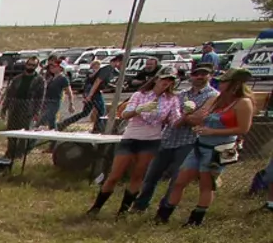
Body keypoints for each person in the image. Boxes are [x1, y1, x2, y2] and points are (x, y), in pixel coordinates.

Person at [158, 68, 255, 226]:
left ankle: (196, 219)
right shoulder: (216, 99)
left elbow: (243, 129)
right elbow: (201, 116)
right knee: (180, 181)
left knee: (206, 184)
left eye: (223, 82)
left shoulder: (243, 103)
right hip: (200, 145)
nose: (219, 84)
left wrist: (213, 130)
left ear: (234, 85)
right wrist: (193, 118)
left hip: (221, 148)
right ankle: (163, 215)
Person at [87, 70, 182, 216]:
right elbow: (125, 114)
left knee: (137, 175)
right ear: (156, 79)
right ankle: (96, 207)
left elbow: (174, 121)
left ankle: (123, 211)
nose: (167, 83)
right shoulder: (140, 95)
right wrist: (138, 110)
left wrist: (186, 115)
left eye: (170, 81)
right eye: (164, 79)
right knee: (115, 175)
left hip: (151, 140)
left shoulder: (171, 99)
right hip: (131, 137)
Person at [133, 62, 218, 213]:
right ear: (190, 76)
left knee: (177, 179)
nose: (199, 77)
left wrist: (182, 116)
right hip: (167, 138)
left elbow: (200, 119)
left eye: (203, 74)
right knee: (151, 176)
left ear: (210, 76)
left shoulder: (213, 95)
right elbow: (167, 116)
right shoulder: (181, 94)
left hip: (189, 141)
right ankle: (140, 206)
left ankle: (164, 209)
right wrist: (184, 116)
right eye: (196, 74)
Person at [60, 55, 121, 131]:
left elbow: (102, 82)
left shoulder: (108, 69)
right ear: (117, 61)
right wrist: (89, 96)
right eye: (122, 63)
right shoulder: (108, 69)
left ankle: (64, 123)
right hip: (92, 91)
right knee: (101, 111)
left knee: (85, 113)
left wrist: (114, 86)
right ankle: (97, 129)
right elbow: (97, 81)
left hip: (91, 90)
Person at [1, 57, 46, 159]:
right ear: (26, 65)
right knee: (11, 131)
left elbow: (40, 98)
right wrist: (4, 108)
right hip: (14, 108)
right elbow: (9, 94)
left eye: (34, 65)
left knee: (24, 134)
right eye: (29, 64)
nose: (31, 67)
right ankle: (10, 153)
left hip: (28, 110)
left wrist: (37, 112)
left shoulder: (40, 80)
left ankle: (19, 154)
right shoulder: (17, 79)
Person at [37, 56, 70, 131]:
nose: (52, 68)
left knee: (43, 119)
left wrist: (71, 103)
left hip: (55, 102)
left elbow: (69, 91)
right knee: (52, 122)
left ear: (61, 68)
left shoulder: (63, 78)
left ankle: (35, 134)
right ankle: (54, 139)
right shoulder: (51, 78)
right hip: (47, 101)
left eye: (54, 66)